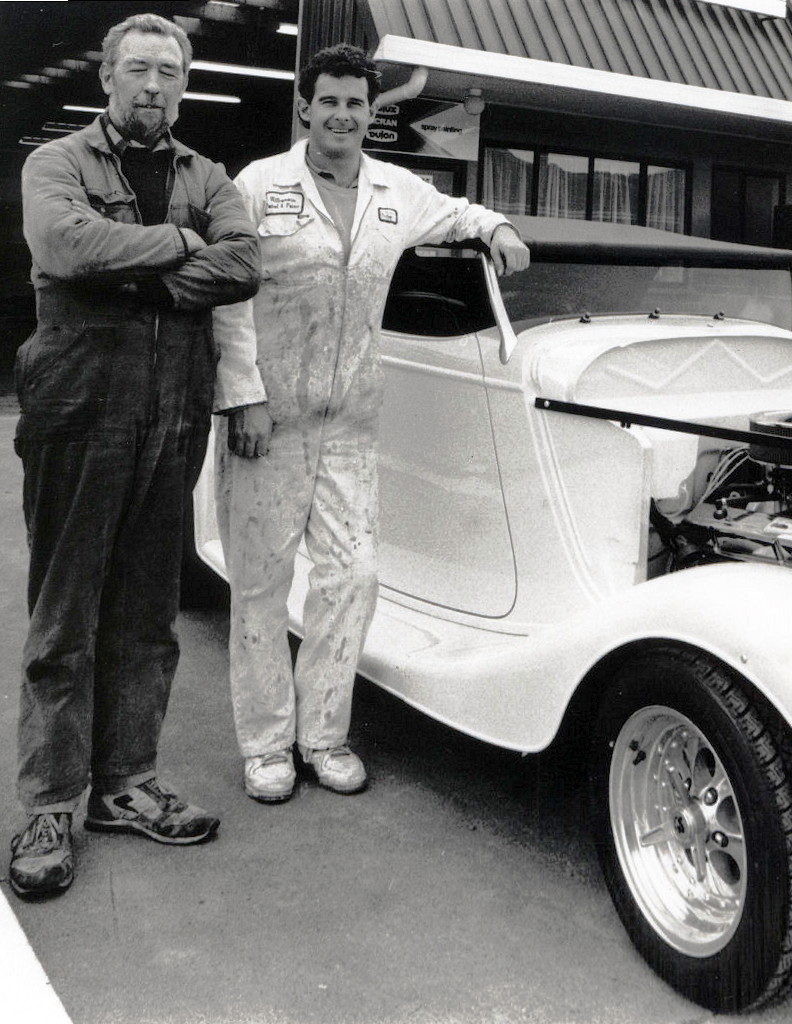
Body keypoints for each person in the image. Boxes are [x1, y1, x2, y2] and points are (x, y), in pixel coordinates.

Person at [212, 44, 529, 805]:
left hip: (350, 423)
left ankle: (322, 735)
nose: (343, 115)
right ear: (305, 108)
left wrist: (500, 230)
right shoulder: (261, 185)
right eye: (330, 102)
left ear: (368, 113)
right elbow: (226, 295)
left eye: (356, 103)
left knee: (353, 577)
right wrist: (241, 394)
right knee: (260, 583)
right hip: (269, 420)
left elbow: (461, 212)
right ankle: (265, 747)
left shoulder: (396, 190)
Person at [9, 13, 261, 899]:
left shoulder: (208, 175)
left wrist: (136, 268)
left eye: (169, 72)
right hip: (80, 406)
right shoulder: (58, 164)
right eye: (138, 70)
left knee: (148, 612)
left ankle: (124, 783)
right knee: (66, 611)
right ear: (107, 78)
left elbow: (244, 265)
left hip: (172, 414)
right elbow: (62, 246)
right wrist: (181, 246)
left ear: (183, 84)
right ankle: (47, 802)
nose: (153, 85)